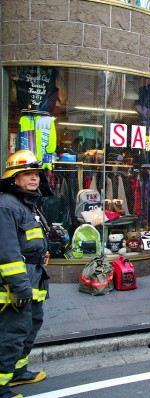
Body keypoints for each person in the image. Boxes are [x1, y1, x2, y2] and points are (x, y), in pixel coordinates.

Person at [0, 150, 52, 398]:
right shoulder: (6, 206)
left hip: (34, 277)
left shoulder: (28, 204)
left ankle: (18, 372)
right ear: (14, 178)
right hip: (17, 283)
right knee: (12, 333)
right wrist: (20, 286)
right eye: (27, 174)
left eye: (36, 175)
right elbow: (8, 253)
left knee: (30, 327)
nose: (34, 179)